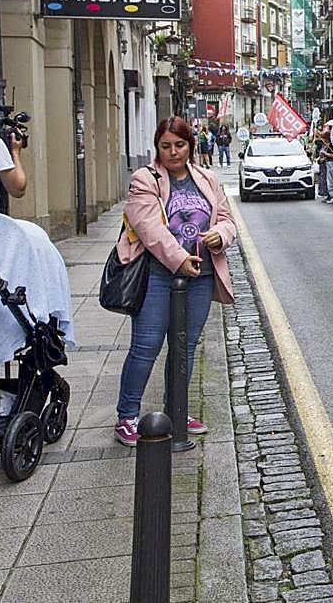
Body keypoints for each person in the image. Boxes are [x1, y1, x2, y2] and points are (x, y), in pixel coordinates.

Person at [113, 116, 237, 446]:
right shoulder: (145, 178)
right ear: (157, 147)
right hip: (156, 276)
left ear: (190, 146)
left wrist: (219, 236)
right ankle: (127, 416)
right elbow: (147, 227)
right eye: (165, 146)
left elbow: (227, 220)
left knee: (184, 348)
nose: (173, 152)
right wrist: (179, 259)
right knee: (146, 347)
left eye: (179, 145)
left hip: (200, 276)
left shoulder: (208, 179)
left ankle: (177, 411)